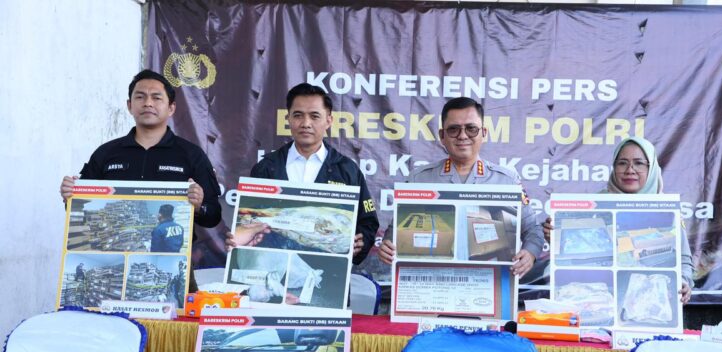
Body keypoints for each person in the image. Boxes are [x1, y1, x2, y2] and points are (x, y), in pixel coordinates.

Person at [377, 97, 543, 277]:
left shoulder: (507, 181)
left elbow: (532, 229)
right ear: (442, 136)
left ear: (484, 133)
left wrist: (530, 253)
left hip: (489, 283)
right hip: (433, 285)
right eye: (454, 129)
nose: (463, 136)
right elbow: (396, 232)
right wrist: (387, 244)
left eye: (471, 129)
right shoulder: (419, 179)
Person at [229, 83, 379, 265]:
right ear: (288, 119)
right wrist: (239, 235)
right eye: (298, 115)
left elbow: (368, 222)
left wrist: (360, 244)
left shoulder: (347, 170)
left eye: (315, 116)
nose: (306, 123)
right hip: (273, 269)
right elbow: (248, 219)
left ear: (329, 121)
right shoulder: (267, 168)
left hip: (330, 274)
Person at [59, 70, 222, 230]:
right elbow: (81, 210)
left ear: (171, 108)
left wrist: (199, 206)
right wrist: (71, 198)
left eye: (156, 98)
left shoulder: (192, 154)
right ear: (129, 106)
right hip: (114, 252)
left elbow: (213, 216)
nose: (148, 103)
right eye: (140, 97)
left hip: (169, 252)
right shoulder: (105, 153)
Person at [542, 136, 694, 303]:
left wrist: (684, 281)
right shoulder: (593, 207)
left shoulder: (668, 211)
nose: (630, 170)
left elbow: (684, 260)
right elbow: (577, 255)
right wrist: (556, 238)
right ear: (614, 167)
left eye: (639, 163)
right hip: (597, 301)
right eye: (622, 163)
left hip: (649, 302)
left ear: (651, 168)